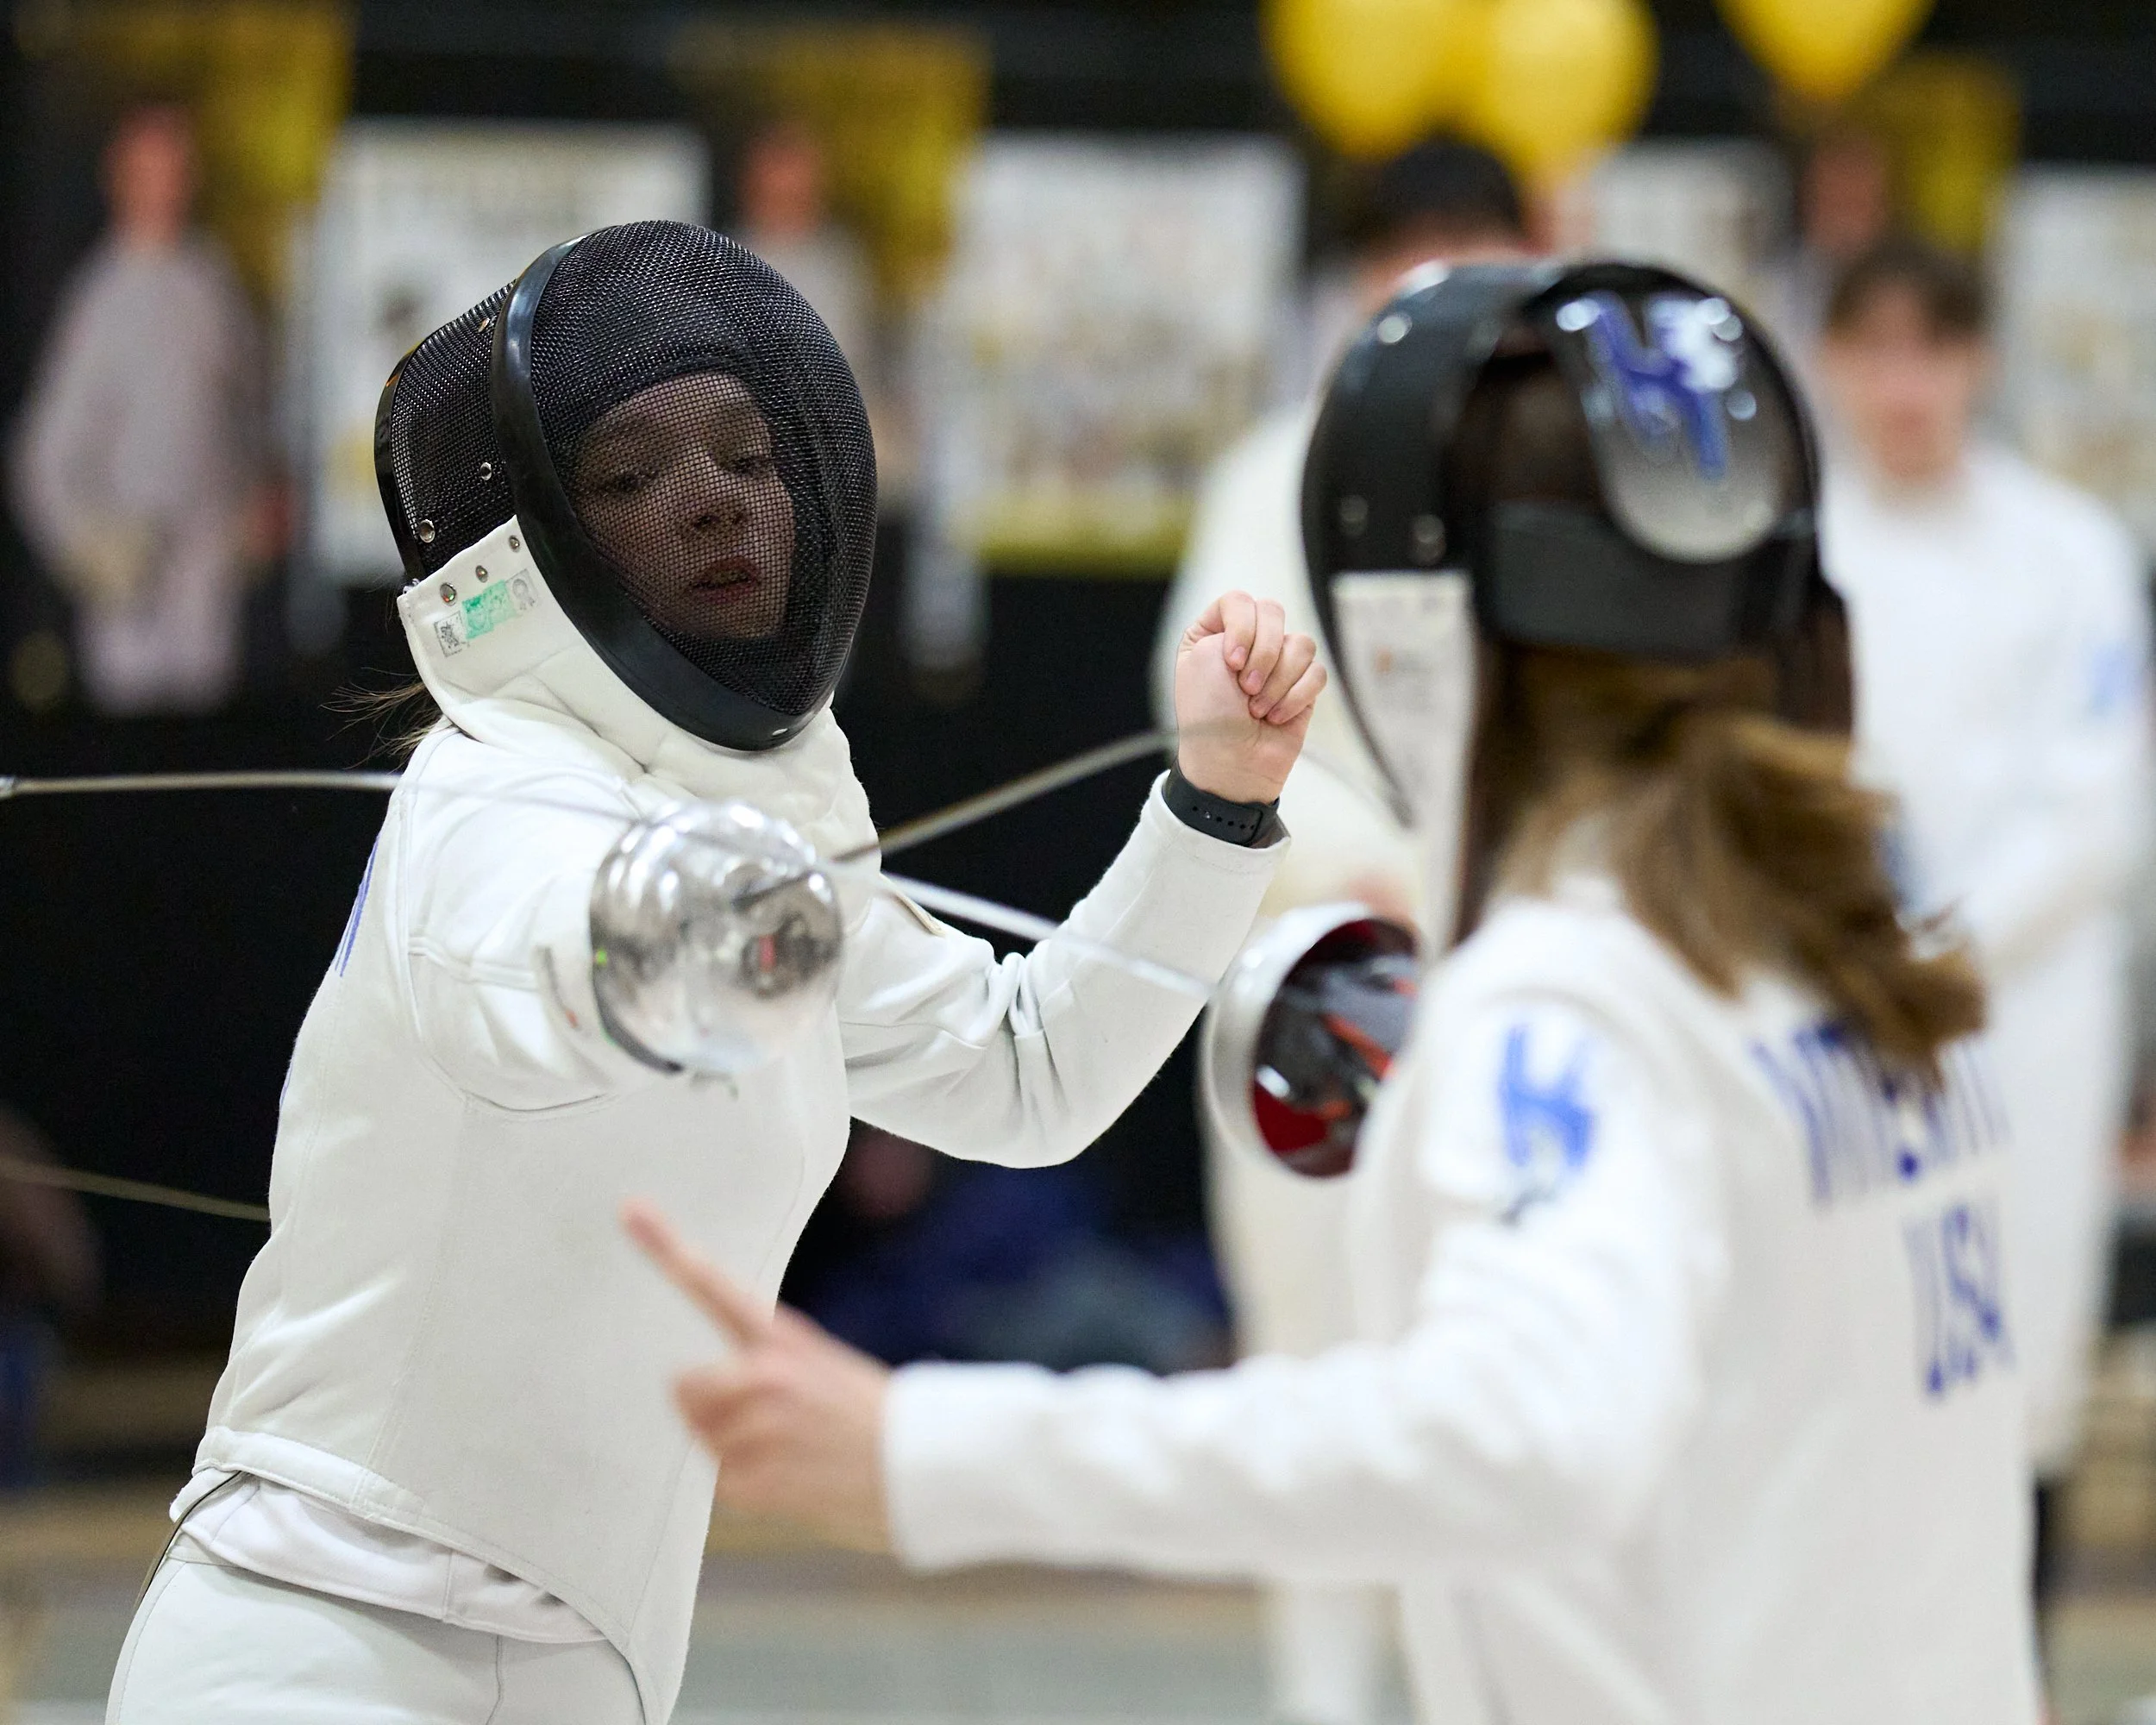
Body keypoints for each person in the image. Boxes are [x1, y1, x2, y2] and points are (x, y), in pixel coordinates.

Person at [632, 261, 2042, 1725]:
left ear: (1417, 635)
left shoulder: (1576, 1000)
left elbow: (1527, 1439)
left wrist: (920, 1451)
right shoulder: (1862, 951)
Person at [103, 219, 1326, 1725]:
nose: (716, 503)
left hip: (591, 1666)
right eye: (631, 479)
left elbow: (1031, 1076)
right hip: (316, 1642)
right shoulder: (492, 787)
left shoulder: (765, 837)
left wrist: (1216, 805)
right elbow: (537, 971)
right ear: (541, 541)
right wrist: (684, 943)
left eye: (747, 458)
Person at [1145, 135, 1532, 1725]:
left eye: (1470, 247)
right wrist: (1390, 877)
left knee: (1492, 1385)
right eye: (1402, 251)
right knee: (1314, 1379)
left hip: (1521, 990)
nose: (1429, 281)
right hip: (1317, 985)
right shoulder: (1268, 474)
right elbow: (1215, 712)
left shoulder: (1558, 469)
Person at [1817, 237, 2153, 1615]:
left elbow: (2097, 795)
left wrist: (1950, 938)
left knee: (2023, 1347)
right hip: (1835, 1004)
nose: (1908, 387)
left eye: (1934, 352)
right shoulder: (1793, 551)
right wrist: (1859, 937)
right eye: (1876, 351)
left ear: (1980, 363)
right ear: (1832, 364)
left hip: (2029, 1008)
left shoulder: (2070, 550)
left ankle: (2008, 1675)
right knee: (1847, 1347)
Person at [10, 103, 272, 714]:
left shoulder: (213, 284)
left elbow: (249, 414)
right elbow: (41, 459)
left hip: (212, 588)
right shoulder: (99, 297)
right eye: (151, 169)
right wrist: (92, 546)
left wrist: (257, 500)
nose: (168, 184)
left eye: (178, 168)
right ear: (121, 178)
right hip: (135, 604)